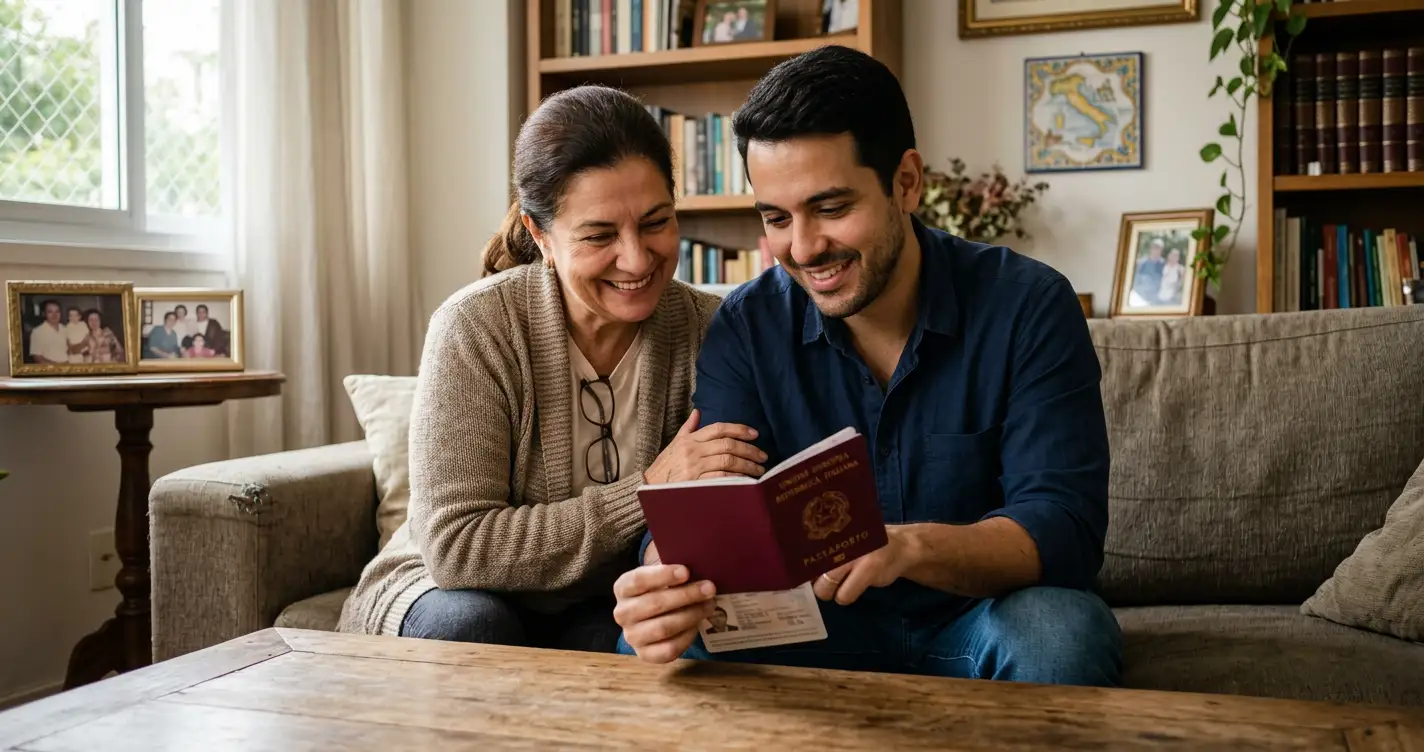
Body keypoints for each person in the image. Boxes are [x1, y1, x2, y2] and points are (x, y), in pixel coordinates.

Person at [612, 45, 1122, 687]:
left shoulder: (1028, 305)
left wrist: (906, 546)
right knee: (659, 653)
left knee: (1061, 631)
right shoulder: (745, 324)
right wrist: (663, 584)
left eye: (830, 208)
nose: (802, 248)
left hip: (979, 621)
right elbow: (710, 518)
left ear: (906, 181)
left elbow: (1063, 530)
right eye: (776, 218)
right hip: (813, 631)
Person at [336, 84, 765, 652]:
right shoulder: (476, 327)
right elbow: (458, 549)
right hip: (444, 592)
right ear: (542, 236)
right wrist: (648, 489)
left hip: (602, 599)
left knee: (655, 645)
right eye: (599, 235)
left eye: (657, 222)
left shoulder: (711, 328)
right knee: (477, 627)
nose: (637, 259)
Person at [27, 300, 69, 365]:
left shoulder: (65, 329)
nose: (54, 315)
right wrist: (58, 367)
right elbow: (37, 357)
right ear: (44, 313)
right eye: (50, 312)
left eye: (57, 312)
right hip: (50, 370)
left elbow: (68, 350)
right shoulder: (37, 332)